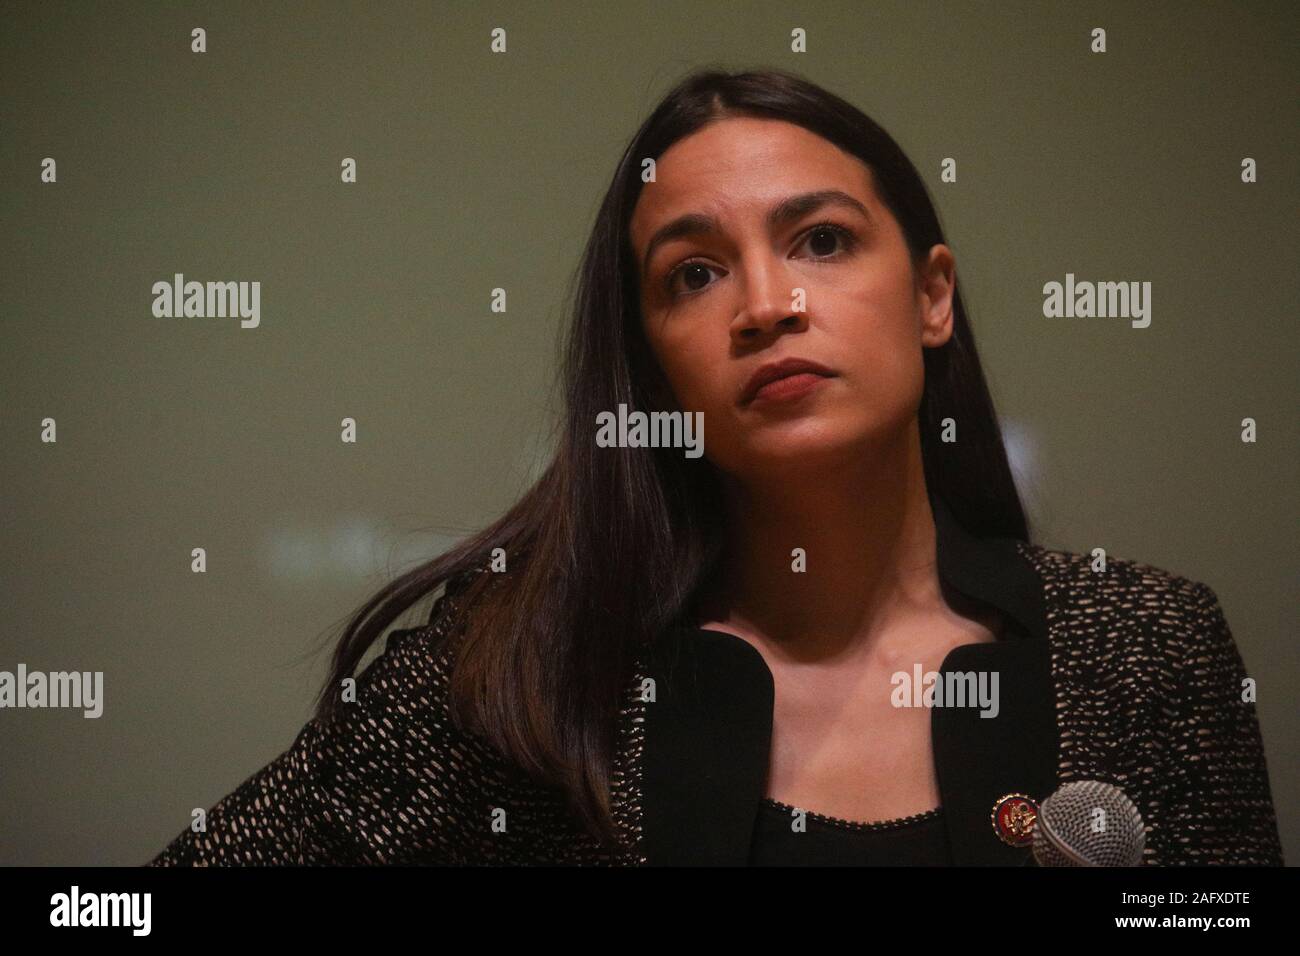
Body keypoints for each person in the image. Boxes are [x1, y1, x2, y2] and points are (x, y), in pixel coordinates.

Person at [148, 67, 1283, 866]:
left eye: (822, 240)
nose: (765, 303)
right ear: (652, 366)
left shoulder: (1148, 646)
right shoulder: (529, 679)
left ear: (932, 295)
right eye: (692, 273)